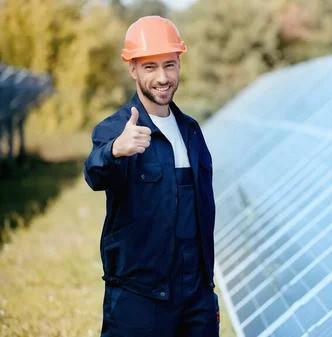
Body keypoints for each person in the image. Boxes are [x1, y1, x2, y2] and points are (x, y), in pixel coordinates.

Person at [83, 15, 219, 336]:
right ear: (132, 68)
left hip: (196, 293)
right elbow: (94, 173)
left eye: (169, 65)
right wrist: (115, 150)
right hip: (139, 297)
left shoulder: (191, 131)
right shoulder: (116, 129)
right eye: (150, 67)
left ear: (179, 64)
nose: (162, 77)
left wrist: (204, 288)